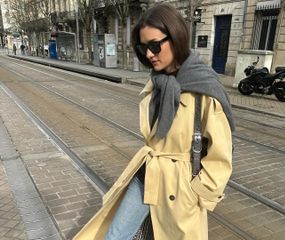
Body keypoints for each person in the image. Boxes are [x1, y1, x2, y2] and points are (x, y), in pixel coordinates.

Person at [73, 3, 234, 240]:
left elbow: (221, 155)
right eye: (143, 47)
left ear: (176, 37)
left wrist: (199, 193)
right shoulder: (158, 81)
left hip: (180, 188)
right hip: (147, 175)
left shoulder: (204, 89)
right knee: (114, 236)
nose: (149, 54)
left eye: (155, 45)